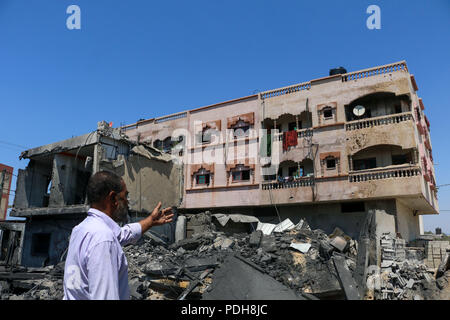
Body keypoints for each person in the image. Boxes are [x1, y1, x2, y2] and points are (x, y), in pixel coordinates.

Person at [63, 170, 174, 300]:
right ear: (113, 198)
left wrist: (150, 221)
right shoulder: (103, 238)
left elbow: (121, 234)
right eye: (125, 196)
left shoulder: (81, 229)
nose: (127, 202)